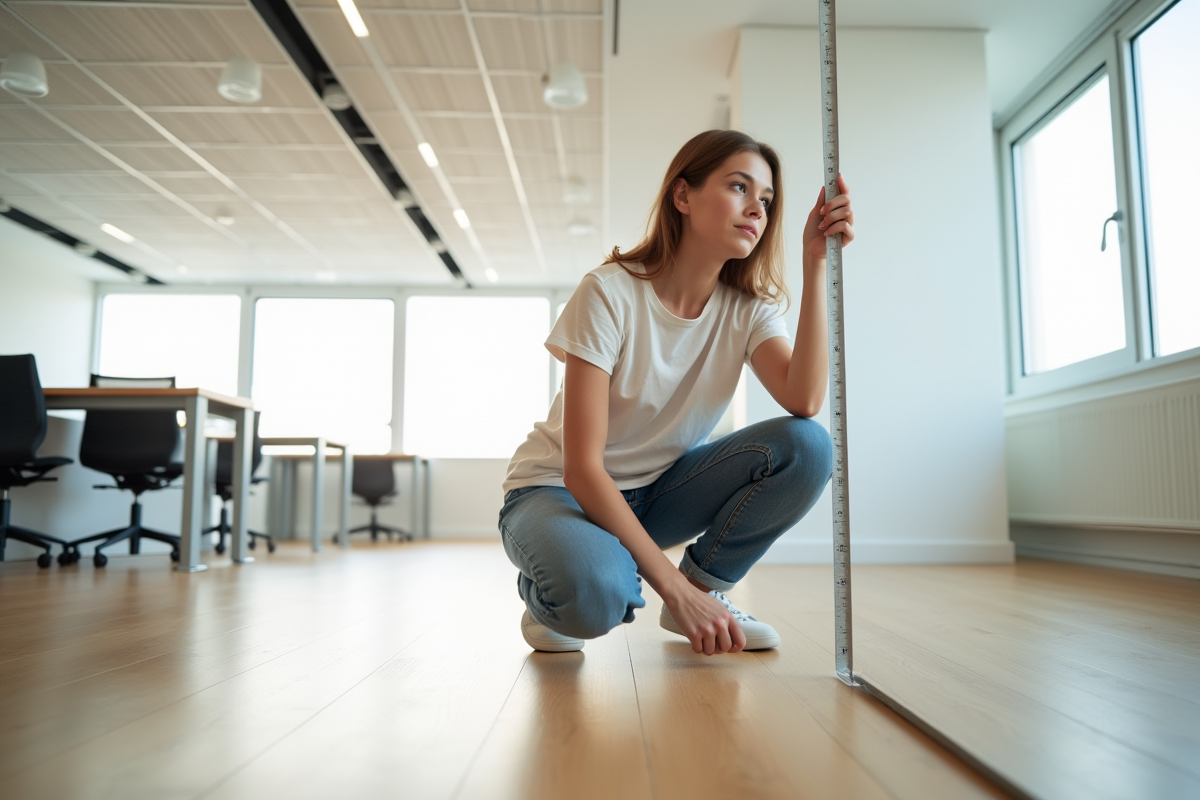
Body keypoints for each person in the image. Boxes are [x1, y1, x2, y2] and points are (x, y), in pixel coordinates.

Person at [499, 129, 855, 656]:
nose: (756, 209)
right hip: (560, 492)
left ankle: (706, 590)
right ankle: (551, 593)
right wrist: (671, 585)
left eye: (766, 200)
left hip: (656, 494)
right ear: (683, 196)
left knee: (808, 446)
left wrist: (815, 261)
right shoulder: (609, 292)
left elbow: (802, 401)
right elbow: (582, 468)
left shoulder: (748, 309)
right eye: (739, 187)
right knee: (592, 601)